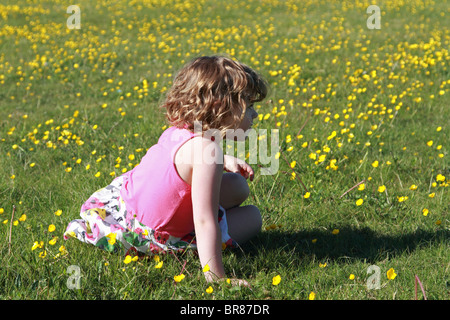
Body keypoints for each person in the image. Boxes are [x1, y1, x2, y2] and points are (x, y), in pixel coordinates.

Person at [64, 55, 268, 286]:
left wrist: (226, 159)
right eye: (249, 106)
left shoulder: (183, 130)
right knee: (253, 217)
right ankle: (205, 265)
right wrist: (217, 278)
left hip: (127, 208)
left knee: (238, 186)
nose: (255, 115)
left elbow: (186, 163)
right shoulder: (208, 153)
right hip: (153, 234)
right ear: (222, 107)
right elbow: (204, 221)